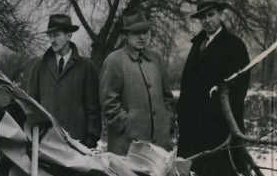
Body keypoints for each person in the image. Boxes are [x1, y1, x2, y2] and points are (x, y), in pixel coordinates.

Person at [176, 0, 250, 176]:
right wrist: (182, 112)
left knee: (220, 175)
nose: (207, 20)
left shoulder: (234, 45)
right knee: (194, 174)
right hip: (193, 126)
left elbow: (239, 87)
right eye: (203, 17)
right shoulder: (197, 44)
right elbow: (188, 83)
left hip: (219, 126)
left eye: (211, 15)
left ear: (220, 15)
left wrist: (217, 111)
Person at [99, 10, 175, 155]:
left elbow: (167, 97)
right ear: (125, 35)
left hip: (159, 145)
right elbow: (108, 103)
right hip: (127, 146)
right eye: (136, 32)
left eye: (145, 32)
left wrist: (167, 122)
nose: (142, 37)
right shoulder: (114, 61)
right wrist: (127, 126)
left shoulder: (156, 59)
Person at [28, 13, 102, 148]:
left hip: (77, 143)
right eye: (50, 36)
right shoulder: (39, 67)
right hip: (46, 143)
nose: (52, 40)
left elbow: (93, 108)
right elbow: (31, 105)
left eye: (57, 35)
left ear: (69, 36)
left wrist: (91, 139)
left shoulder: (86, 67)